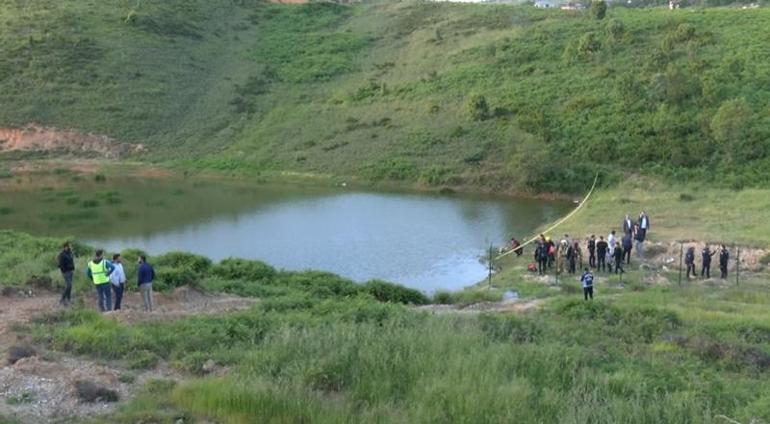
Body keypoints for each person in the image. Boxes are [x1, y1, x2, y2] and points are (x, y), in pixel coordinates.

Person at [58, 242, 75, 306]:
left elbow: (71, 261)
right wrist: (64, 271)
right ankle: (62, 298)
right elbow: (60, 264)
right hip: (66, 272)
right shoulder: (62, 254)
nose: (71, 247)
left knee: (70, 286)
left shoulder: (70, 253)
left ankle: (68, 298)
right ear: (66, 247)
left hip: (71, 271)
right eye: (69, 246)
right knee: (68, 285)